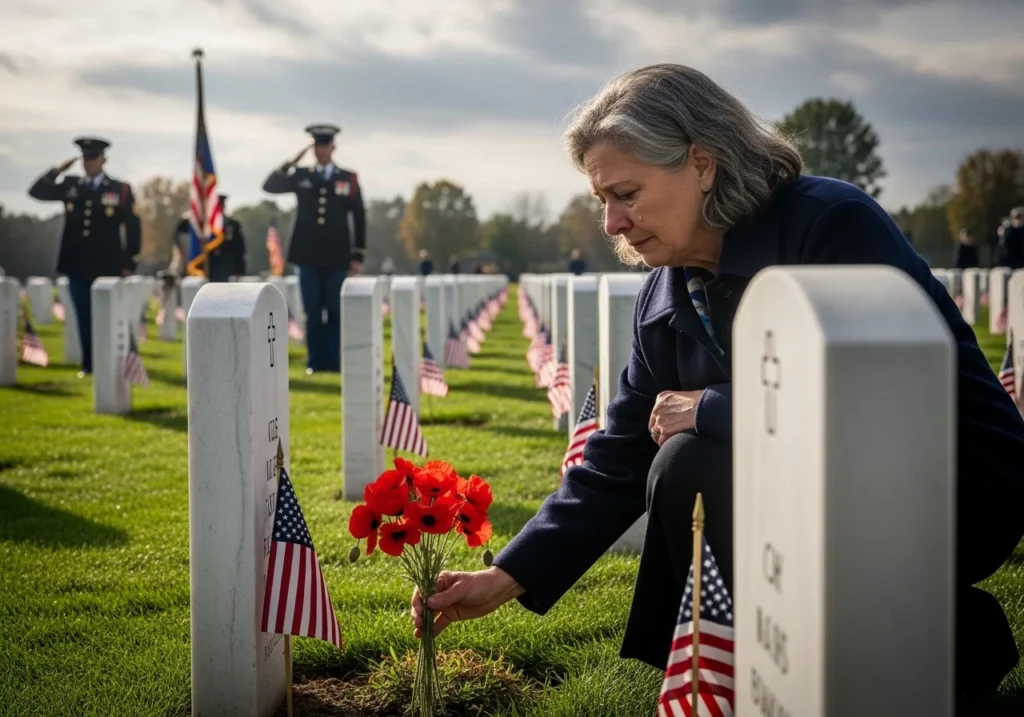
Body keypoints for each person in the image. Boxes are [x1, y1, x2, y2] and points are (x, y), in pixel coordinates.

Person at [410, 64, 1024, 699]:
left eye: (626, 194)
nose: (612, 224)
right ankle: (781, 666)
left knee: (690, 463)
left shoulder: (830, 225)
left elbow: (883, 401)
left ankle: (928, 648)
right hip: (821, 482)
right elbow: (619, 455)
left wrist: (715, 409)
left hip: (948, 483)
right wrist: (506, 576)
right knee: (682, 465)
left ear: (702, 164)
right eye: (603, 202)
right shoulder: (663, 292)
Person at [27, 137, 140, 376]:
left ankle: (112, 362)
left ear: (103, 159)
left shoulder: (119, 189)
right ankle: (89, 364)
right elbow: (36, 191)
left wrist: (130, 262)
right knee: (83, 316)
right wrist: (57, 170)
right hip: (76, 264)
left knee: (107, 317)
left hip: (108, 264)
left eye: (93, 158)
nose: (88, 163)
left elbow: (132, 227)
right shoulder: (71, 185)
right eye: (85, 158)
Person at [262, 123, 366, 374]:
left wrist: (357, 253)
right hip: (306, 254)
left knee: (334, 309)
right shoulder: (301, 175)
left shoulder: (347, 179)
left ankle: (332, 362)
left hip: (337, 255)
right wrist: (290, 162)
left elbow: (360, 217)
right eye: (317, 146)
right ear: (313, 148)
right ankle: (314, 362)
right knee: (312, 310)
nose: (321, 150)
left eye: (325, 145)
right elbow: (270, 186)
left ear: (333, 147)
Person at [172, 194, 247, 282]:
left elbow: (240, 250)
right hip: (202, 268)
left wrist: (239, 271)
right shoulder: (199, 224)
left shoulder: (231, 225)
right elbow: (179, 229)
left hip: (225, 270)